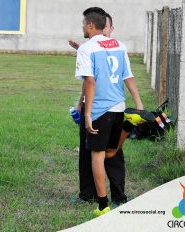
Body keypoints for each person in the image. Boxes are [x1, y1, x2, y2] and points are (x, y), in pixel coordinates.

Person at [75, 8, 152, 216]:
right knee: (112, 152)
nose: (82, 27)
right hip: (119, 108)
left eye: (84, 24)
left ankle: (102, 205)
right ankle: (128, 124)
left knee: (98, 156)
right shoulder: (119, 45)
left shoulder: (87, 48)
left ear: (91, 26)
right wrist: (139, 103)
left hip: (100, 111)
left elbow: (90, 82)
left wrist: (88, 114)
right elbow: (128, 75)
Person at [69, 9, 127, 207]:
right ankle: (88, 193)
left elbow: (114, 78)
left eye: (108, 27)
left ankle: (118, 197)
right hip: (93, 105)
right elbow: (88, 80)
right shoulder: (91, 48)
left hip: (108, 108)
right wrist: (81, 102)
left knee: (112, 155)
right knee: (88, 150)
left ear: (110, 28)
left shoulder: (117, 49)